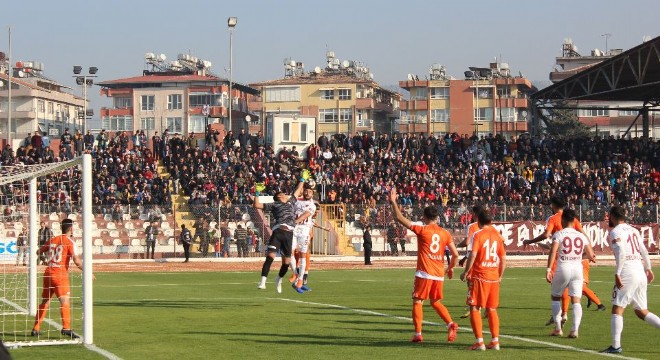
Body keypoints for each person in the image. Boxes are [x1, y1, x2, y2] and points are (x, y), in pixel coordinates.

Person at [389, 187, 459, 344]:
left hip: (424, 273)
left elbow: (400, 218)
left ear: (425, 217)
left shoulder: (422, 229)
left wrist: (393, 202)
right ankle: (451, 323)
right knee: (435, 302)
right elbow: (455, 254)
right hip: (438, 274)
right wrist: (451, 268)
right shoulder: (445, 233)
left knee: (418, 301)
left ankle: (418, 333)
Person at [601, 205, 660, 354]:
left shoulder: (615, 231)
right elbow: (644, 250)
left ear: (613, 216)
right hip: (639, 271)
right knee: (641, 311)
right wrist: (648, 268)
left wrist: (618, 273)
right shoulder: (634, 230)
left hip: (627, 271)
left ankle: (615, 346)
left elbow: (621, 252)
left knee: (617, 308)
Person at [523, 196, 587, 328]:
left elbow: (546, 235)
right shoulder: (572, 219)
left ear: (553, 205)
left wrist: (530, 241)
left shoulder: (553, 218)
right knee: (572, 291)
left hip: (559, 255)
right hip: (574, 257)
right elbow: (582, 233)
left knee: (557, 289)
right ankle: (565, 316)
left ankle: (560, 318)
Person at [31, 219, 86, 338]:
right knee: (64, 301)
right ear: (71, 229)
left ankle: (36, 328)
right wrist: (87, 272)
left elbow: (37, 251)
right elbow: (76, 260)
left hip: (48, 273)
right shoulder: (69, 241)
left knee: (45, 301)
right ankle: (66, 328)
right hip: (60, 274)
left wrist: (45, 260)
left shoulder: (53, 239)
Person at [546, 209, 595, 338]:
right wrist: (578, 255)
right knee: (576, 300)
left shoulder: (559, 234)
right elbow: (591, 255)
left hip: (563, 267)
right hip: (577, 269)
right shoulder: (581, 236)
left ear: (563, 220)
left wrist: (548, 269)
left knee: (556, 297)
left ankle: (558, 328)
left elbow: (553, 252)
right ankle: (574, 329)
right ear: (574, 221)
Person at [461, 210, 506, 351]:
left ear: (478, 221)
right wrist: (500, 276)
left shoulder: (477, 234)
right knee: (492, 309)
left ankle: (480, 342)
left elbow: (473, 255)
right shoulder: (498, 236)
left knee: (474, 307)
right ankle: (495, 341)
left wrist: (465, 271)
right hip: (493, 277)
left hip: (480, 276)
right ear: (491, 221)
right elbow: (503, 258)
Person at [255, 179, 305, 293]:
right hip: (278, 231)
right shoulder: (274, 204)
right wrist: (257, 193)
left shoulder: (291, 202)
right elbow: (257, 205)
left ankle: (279, 279)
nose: (286, 195)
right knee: (270, 257)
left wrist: (302, 179)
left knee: (286, 263)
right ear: (280, 197)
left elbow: (297, 191)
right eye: (283, 194)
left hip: (289, 234)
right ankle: (262, 282)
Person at [458, 205, 485, 319]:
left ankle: (473, 306)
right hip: (484, 257)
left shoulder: (472, 226)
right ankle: (483, 306)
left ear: (474, 214)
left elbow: (467, 242)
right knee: (480, 282)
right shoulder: (487, 226)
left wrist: (456, 245)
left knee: (470, 280)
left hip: (475, 258)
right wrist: (465, 257)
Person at [291, 184, 316, 293]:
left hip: (304, 230)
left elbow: (305, 215)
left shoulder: (312, 205)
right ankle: (296, 276)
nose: (307, 193)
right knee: (289, 252)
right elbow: (295, 194)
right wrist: (301, 181)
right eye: (305, 191)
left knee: (303, 256)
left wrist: (295, 221)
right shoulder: (296, 201)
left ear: (312, 194)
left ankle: (300, 281)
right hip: (293, 228)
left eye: (309, 191)